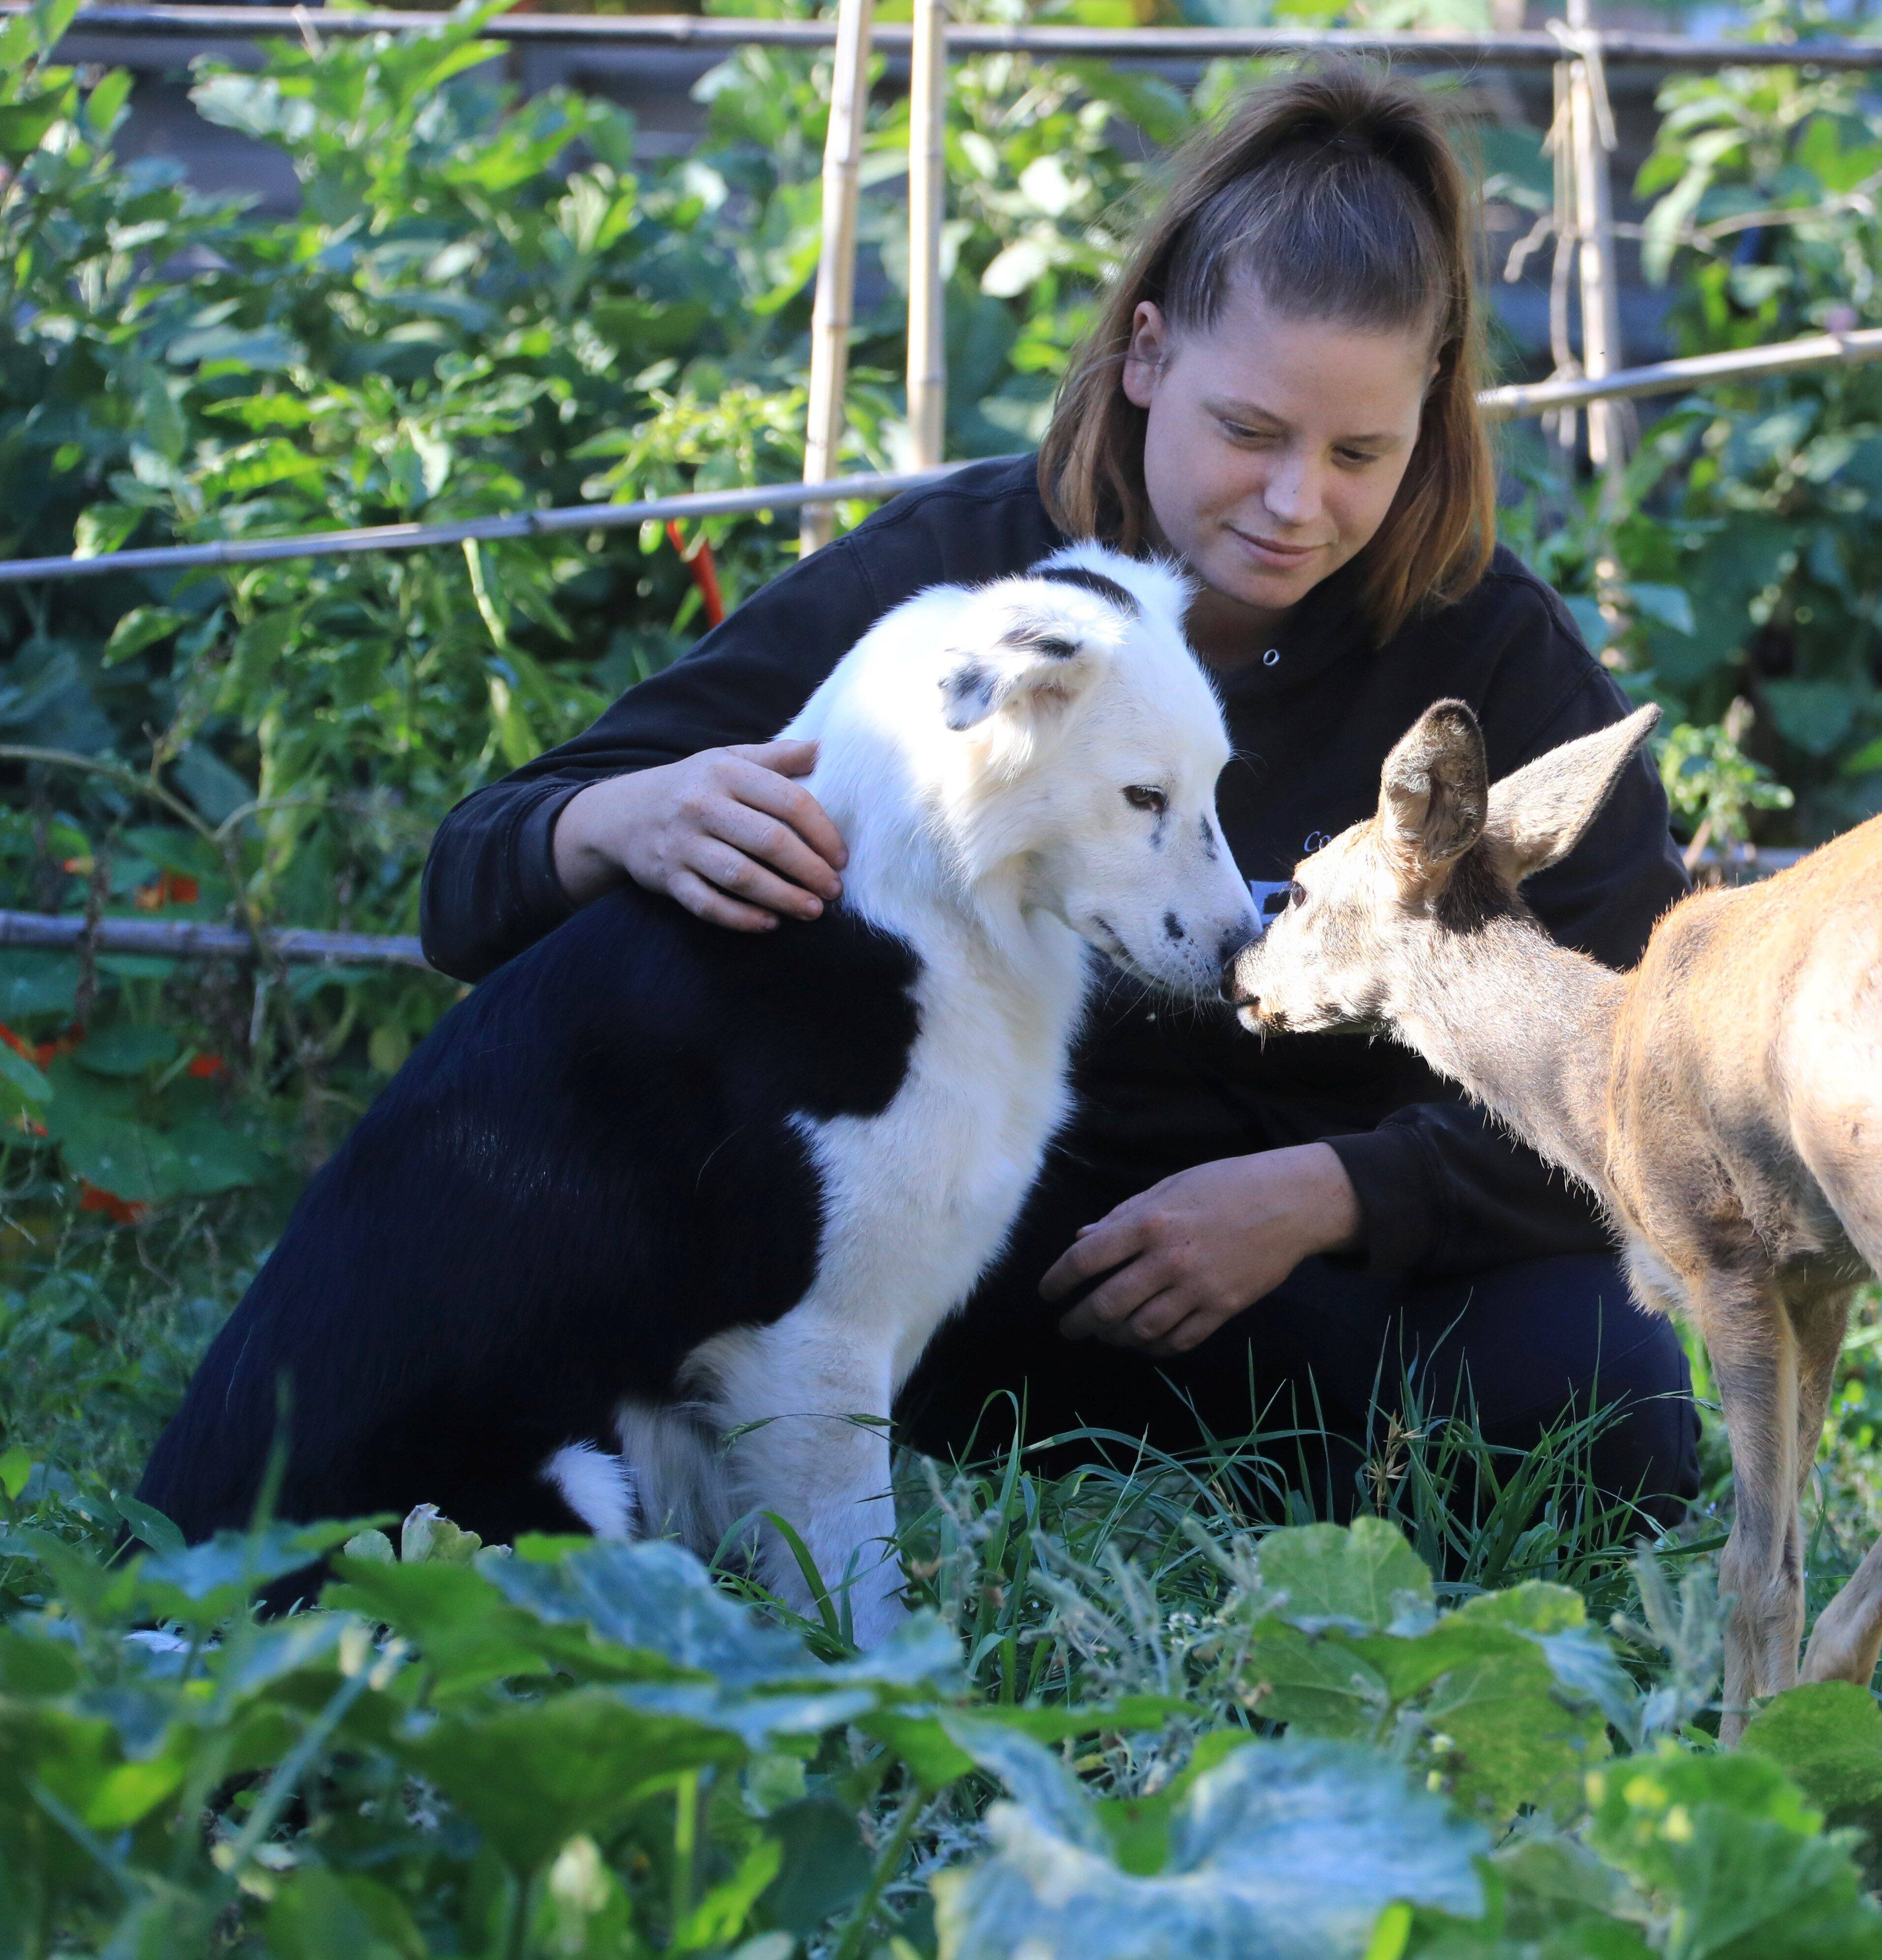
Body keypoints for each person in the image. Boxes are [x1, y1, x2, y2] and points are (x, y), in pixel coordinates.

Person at [419, 62, 1698, 1522]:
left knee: (1606, 1406)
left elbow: (1640, 1069)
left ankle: (1302, 1498)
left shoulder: (1492, 654)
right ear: (1145, 354)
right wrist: (616, 820)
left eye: (1360, 453)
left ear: (1428, 413)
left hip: (1332, 1275)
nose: (1297, 502)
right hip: (969, 1273)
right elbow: (472, 880)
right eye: (1248, 430)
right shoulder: (959, 594)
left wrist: (1334, 1193)